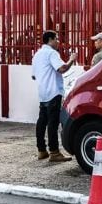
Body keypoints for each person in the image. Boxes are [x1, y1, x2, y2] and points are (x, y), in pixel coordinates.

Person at [31, 30, 76, 162]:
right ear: (50, 39)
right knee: (53, 123)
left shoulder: (37, 55)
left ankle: (41, 150)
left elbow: (34, 75)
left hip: (43, 92)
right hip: (54, 91)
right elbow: (62, 68)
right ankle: (54, 152)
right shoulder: (51, 53)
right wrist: (71, 60)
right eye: (56, 39)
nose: (58, 42)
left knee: (42, 121)